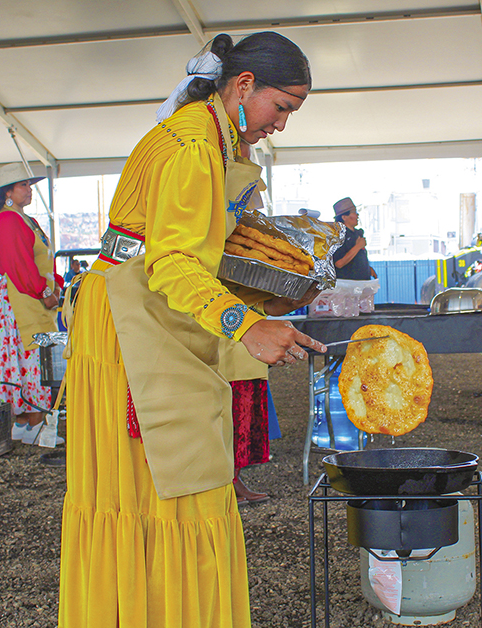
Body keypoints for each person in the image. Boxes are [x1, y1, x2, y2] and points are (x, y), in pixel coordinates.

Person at [58, 32, 324, 628]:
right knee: (170, 479)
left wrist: (267, 293)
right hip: (134, 321)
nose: (280, 125)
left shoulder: (205, 134)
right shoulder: (191, 144)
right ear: (245, 85)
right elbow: (173, 261)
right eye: (281, 108)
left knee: (171, 482)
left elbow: (196, 251)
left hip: (143, 312)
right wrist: (246, 324)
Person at [0, 162, 65, 446]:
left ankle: (30, 422)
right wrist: (44, 292)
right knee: (30, 357)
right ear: (8, 192)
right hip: (21, 299)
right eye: (24, 185)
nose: (30, 190)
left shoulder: (23, 219)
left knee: (33, 357)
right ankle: (30, 422)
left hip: (29, 296)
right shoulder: (7, 220)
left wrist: (52, 285)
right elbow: (18, 264)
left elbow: (39, 260)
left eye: (30, 185)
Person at [219, 339, 271, 506]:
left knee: (245, 421)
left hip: (249, 350)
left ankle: (234, 479)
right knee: (227, 422)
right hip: (222, 348)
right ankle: (223, 483)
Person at [332, 197, 377, 280]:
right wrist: (358, 246)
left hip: (362, 284)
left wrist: (367, 268)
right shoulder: (338, 236)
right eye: (354, 213)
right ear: (344, 217)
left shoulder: (357, 234)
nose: (357, 215)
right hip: (348, 286)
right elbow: (339, 263)